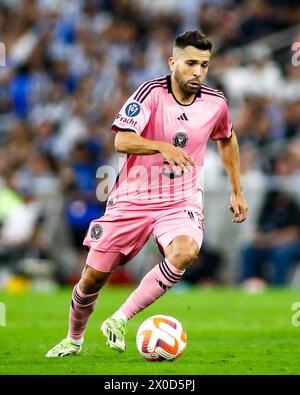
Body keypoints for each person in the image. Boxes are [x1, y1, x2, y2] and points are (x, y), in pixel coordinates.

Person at [46, 30, 248, 357]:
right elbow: (122, 141)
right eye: (191, 63)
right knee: (92, 278)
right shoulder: (150, 93)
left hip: (180, 199)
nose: (198, 71)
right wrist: (160, 147)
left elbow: (227, 139)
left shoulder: (216, 102)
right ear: (173, 62)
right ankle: (74, 338)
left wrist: (237, 190)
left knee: (184, 252)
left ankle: (120, 318)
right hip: (133, 199)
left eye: (205, 65)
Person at [240, 189, 300, 287]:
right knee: (248, 251)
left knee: (281, 253)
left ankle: (278, 286)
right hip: (268, 244)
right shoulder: (267, 206)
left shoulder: (293, 207)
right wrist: (261, 239)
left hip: (289, 245)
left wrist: (273, 238)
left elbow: (294, 232)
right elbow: (258, 229)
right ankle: (249, 283)